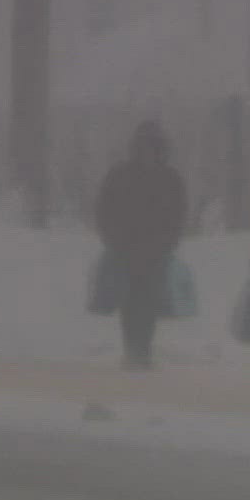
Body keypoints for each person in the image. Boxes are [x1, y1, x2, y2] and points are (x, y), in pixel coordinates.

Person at [95, 120, 187, 370]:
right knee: (129, 301)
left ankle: (143, 350)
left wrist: (169, 241)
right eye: (142, 145)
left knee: (150, 303)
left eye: (151, 146)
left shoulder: (169, 178)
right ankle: (131, 351)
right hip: (125, 249)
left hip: (156, 251)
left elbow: (178, 213)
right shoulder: (120, 175)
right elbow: (104, 208)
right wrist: (112, 238)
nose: (147, 151)